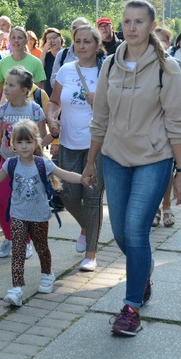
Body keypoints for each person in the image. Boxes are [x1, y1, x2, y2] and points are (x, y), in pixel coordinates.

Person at [83, 0, 181, 336]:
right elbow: (100, 119)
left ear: (150, 26)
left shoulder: (166, 68)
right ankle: (143, 273)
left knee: (136, 229)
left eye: (139, 22)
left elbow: (177, 122)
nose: (131, 27)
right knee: (121, 234)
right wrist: (90, 162)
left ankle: (131, 307)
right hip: (115, 158)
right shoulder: (110, 66)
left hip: (153, 159)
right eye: (127, 21)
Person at [0, 119, 86, 307]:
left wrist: (83, 179)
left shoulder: (42, 164)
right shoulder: (11, 164)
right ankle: (17, 288)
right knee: (18, 250)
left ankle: (47, 274)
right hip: (18, 215)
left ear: (36, 143)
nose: (23, 146)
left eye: (28, 142)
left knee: (41, 247)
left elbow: (64, 174)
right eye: (19, 142)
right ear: (12, 144)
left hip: (39, 215)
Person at [47, 25, 106, 271]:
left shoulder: (106, 72)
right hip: (69, 144)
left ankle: (91, 254)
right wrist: (51, 118)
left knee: (92, 199)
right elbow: (53, 101)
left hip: (98, 145)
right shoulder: (66, 70)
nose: (81, 46)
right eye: (78, 41)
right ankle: (86, 226)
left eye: (87, 42)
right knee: (68, 195)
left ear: (97, 45)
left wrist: (101, 100)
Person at [0, 66, 48, 259]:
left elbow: (43, 139)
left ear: (24, 90)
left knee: (26, 205)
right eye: (6, 83)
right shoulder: (2, 110)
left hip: (29, 166)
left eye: (11, 85)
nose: (5, 88)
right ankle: (10, 237)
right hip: (7, 163)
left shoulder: (35, 110)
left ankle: (26, 241)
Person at [152, 28, 181, 228]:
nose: (159, 44)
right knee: (152, 169)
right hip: (149, 125)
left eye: (163, 41)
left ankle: (167, 206)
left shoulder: (175, 64)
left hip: (170, 124)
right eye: (156, 40)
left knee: (167, 168)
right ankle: (154, 209)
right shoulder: (141, 64)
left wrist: (178, 81)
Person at [0, 26, 46, 103]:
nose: (16, 41)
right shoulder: (2, 63)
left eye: (20, 38)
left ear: (26, 41)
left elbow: (40, 91)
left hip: (30, 108)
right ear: (9, 40)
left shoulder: (36, 63)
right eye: (13, 38)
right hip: (8, 108)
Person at [49, 17, 91, 90]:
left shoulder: (98, 56)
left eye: (81, 28)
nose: (77, 31)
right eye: (74, 28)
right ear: (71, 31)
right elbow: (53, 81)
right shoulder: (62, 55)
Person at [39, 27, 63, 97]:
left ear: (60, 38)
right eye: (49, 39)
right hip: (49, 95)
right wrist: (44, 51)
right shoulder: (45, 57)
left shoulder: (66, 54)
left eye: (54, 37)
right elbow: (39, 70)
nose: (52, 41)